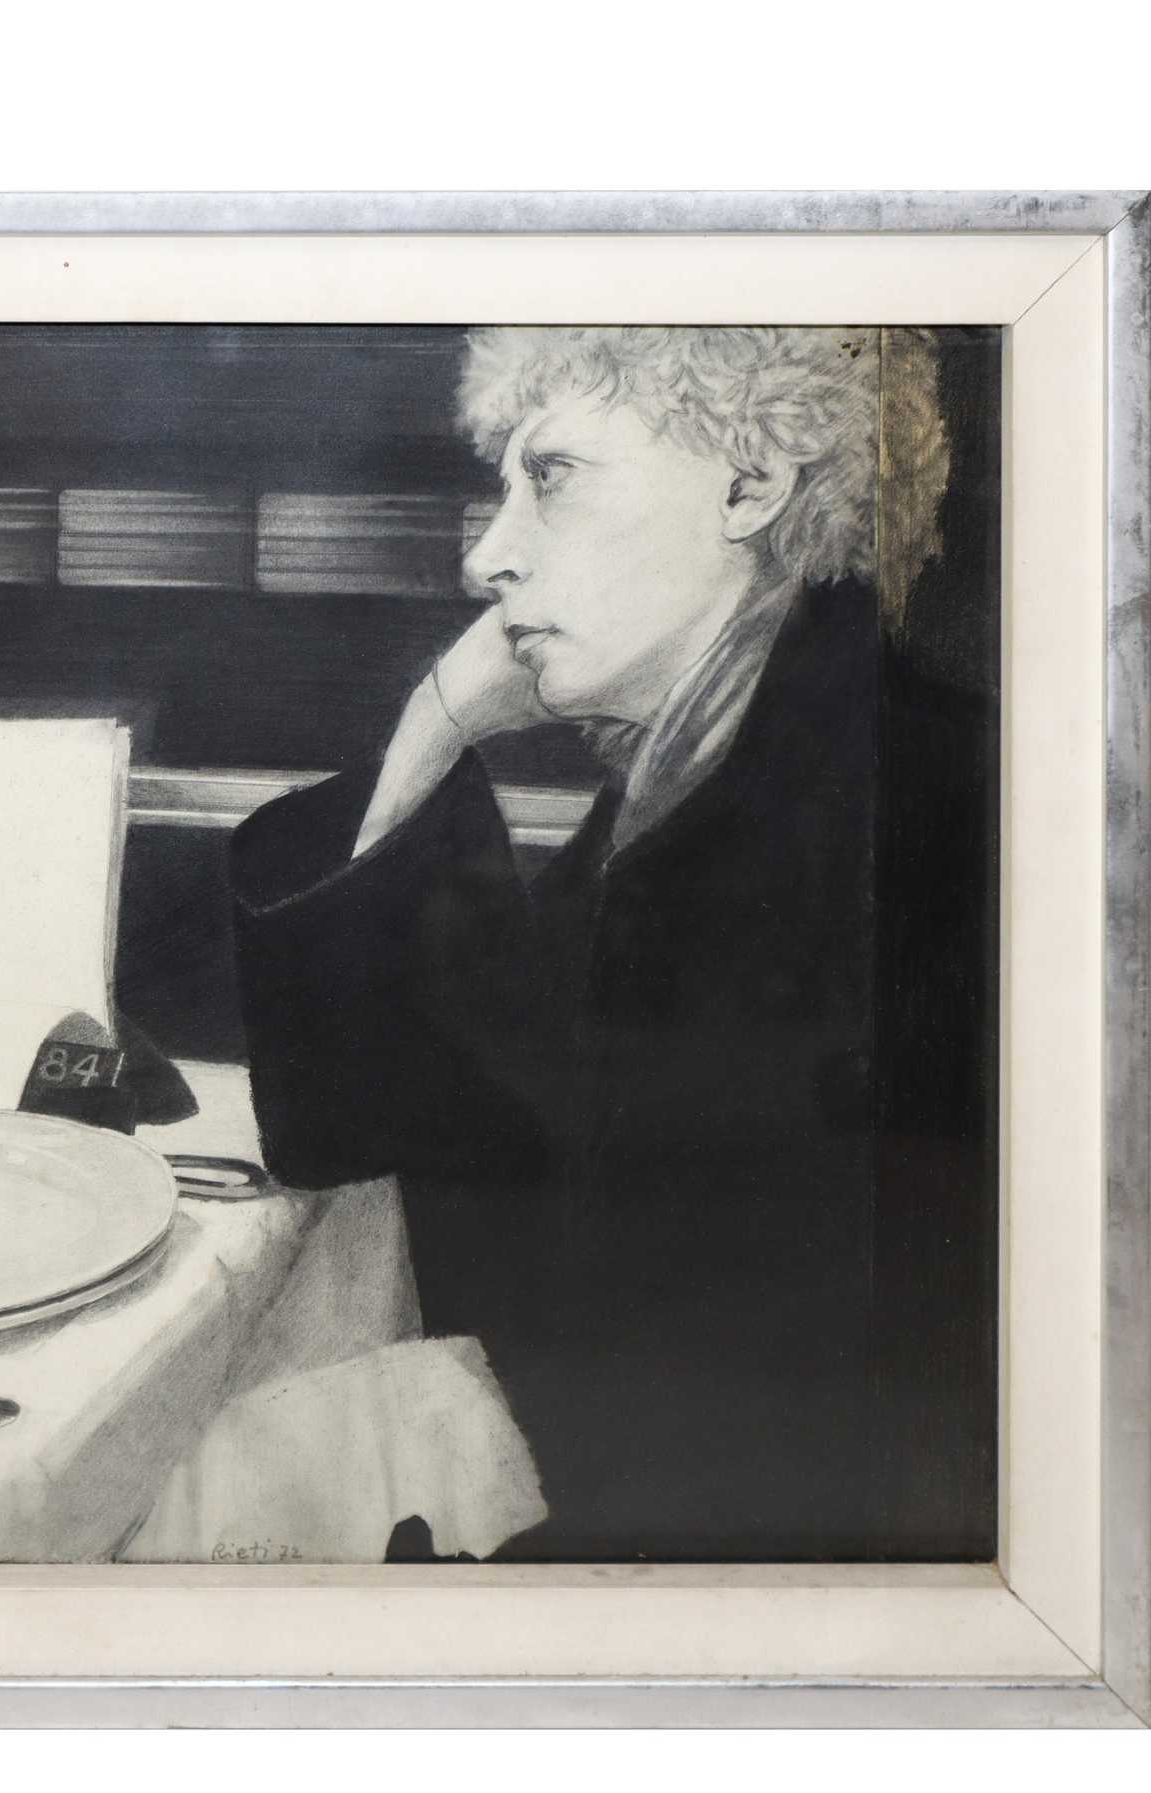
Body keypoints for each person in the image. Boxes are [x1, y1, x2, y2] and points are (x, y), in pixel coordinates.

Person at [229, 327, 996, 1561]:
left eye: (554, 478)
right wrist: (435, 725)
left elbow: (763, 1432)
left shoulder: (919, 804)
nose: (486, 556)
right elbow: (366, 1126)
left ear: (750, 487)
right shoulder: (688, 774)